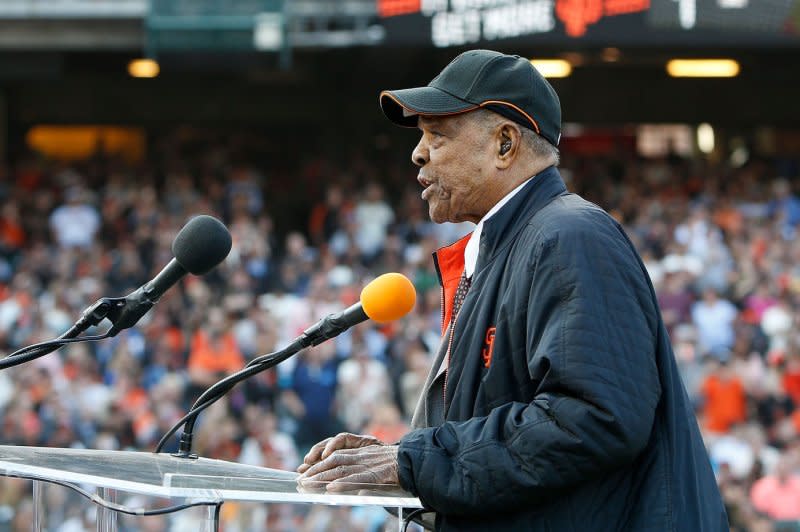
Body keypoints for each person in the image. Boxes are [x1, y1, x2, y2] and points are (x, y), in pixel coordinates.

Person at [297, 49, 727, 530]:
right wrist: (403, 455)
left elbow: (593, 417)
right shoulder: (516, 243)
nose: (418, 153)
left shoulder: (570, 235)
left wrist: (418, 461)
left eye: (437, 134)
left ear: (505, 144)